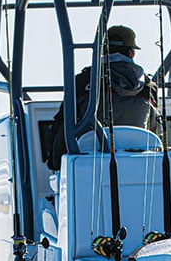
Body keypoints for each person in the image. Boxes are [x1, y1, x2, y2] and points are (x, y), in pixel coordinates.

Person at [46, 25, 160, 171]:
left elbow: (64, 125)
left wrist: (54, 163)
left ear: (101, 51)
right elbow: (155, 131)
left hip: (88, 169)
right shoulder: (149, 88)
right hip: (139, 168)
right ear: (131, 53)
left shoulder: (81, 82)